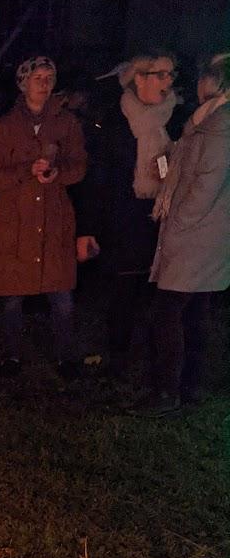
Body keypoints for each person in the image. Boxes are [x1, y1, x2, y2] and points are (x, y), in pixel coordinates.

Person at [0, 56, 87, 377]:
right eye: (37, 77)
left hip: (53, 220)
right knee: (12, 295)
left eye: (49, 77)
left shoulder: (67, 124)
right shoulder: (3, 127)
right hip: (16, 223)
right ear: (23, 82)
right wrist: (26, 171)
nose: (44, 83)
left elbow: (79, 166)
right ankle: (10, 356)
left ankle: (65, 356)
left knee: (61, 294)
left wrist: (58, 172)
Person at [79, 51, 183, 381]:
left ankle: (154, 356)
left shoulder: (173, 118)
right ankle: (119, 357)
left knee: (155, 293)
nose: (169, 82)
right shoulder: (115, 120)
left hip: (158, 216)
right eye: (161, 74)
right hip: (122, 218)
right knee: (123, 290)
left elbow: (166, 166)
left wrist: (165, 170)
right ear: (139, 78)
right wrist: (88, 228)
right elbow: (98, 177)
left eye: (171, 75)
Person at [142, 53, 230, 414]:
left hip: (196, 235)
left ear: (216, 83)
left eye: (203, 78)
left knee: (168, 312)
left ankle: (167, 391)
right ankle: (189, 387)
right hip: (204, 235)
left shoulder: (220, 125)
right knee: (195, 313)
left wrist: (178, 220)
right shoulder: (207, 121)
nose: (197, 85)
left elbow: (208, 181)